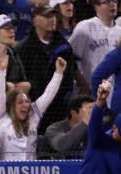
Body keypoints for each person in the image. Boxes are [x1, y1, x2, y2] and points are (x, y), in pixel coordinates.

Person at [0, 44, 66, 160]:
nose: (26, 105)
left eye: (27, 101)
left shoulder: (32, 116)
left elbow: (48, 96)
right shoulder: (1, 119)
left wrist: (58, 73)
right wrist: (1, 72)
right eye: (20, 102)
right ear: (12, 105)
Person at [15, 5, 78, 133]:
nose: (52, 19)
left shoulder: (63, 45)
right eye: (47, 16)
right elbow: (20, 79)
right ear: (35, 20)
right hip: (33, 107)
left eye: (53, 16)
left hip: (59, 108)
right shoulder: (23, 48)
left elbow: (69, 76)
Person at [69, 0, 118, 90]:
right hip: (91, 89)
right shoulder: (84, 27)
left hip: (115, 92)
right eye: (107, 2)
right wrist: (83, 85)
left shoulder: (119, 31)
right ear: (96, 6)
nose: (113, 5)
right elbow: (70, 59)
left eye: (114, 1)